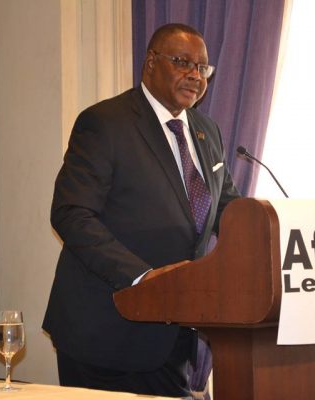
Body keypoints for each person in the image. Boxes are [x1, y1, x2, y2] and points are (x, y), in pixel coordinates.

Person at [42, 23, 240, 398]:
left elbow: (228, 207)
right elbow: (71, 212)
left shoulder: (205, 130)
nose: (194, 76)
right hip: (106, 332)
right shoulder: (106, 123)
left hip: (173, 332)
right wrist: (143, 278)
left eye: (203, 69)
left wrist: (282, 229)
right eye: (183, 62)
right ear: (150, 62)